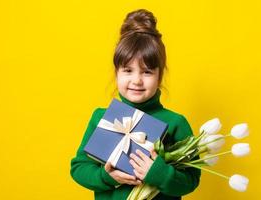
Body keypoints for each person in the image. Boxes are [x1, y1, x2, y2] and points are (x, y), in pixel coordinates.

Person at [70, 9, 201, 200]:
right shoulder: (101, 118)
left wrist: (159, 173)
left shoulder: (175, 123)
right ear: (116, 73)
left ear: (159, 76)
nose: (137, 80)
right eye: (128, 70)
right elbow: (79, 168)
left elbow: (191, 180)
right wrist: (106, 177)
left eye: (147, 72)